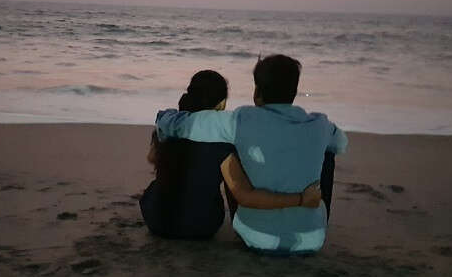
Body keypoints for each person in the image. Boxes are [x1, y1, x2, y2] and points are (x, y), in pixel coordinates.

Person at [156, 55, 348, 254]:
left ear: (257, 91)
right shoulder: (321, 124)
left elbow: (185, 125)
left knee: (235, 147)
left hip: (256, 236)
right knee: (328, 153)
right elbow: (342, 143)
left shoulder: (240, 120)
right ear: (294, 91)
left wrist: (164, 116)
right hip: (312, 240)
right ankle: (310, 217)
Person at [140, 69, 322, 240]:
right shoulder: (222, 145)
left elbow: (152, 158)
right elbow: (243, 195)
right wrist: (300, 199)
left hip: (156, 220)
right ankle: (236, 220)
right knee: (230, 178)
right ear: (221, 105)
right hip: (198, 227)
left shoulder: (169, 127)